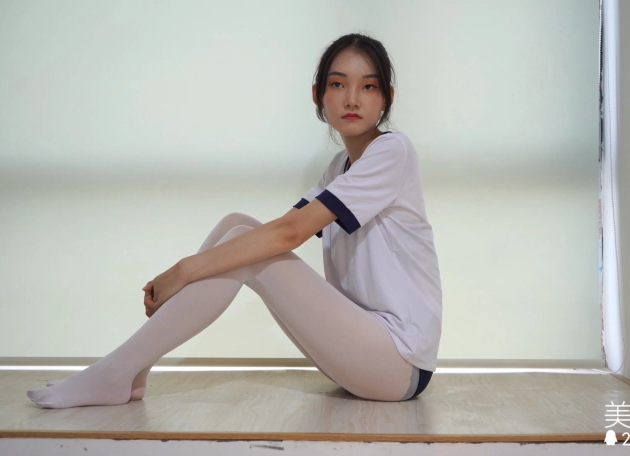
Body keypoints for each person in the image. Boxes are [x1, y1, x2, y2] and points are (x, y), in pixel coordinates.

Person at [27, 32, 442, 408]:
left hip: (398, 362)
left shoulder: (393, 151)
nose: (352, 99)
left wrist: (183, 271)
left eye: (368, 86)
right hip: (362, 354)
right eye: (338, 84)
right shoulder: (339, 168)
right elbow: (280, 227)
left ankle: (114, 372)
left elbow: (290, 233)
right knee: (237, 223)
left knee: (249, 244)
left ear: (386, 97)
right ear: (317, 95)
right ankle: (134, 369)